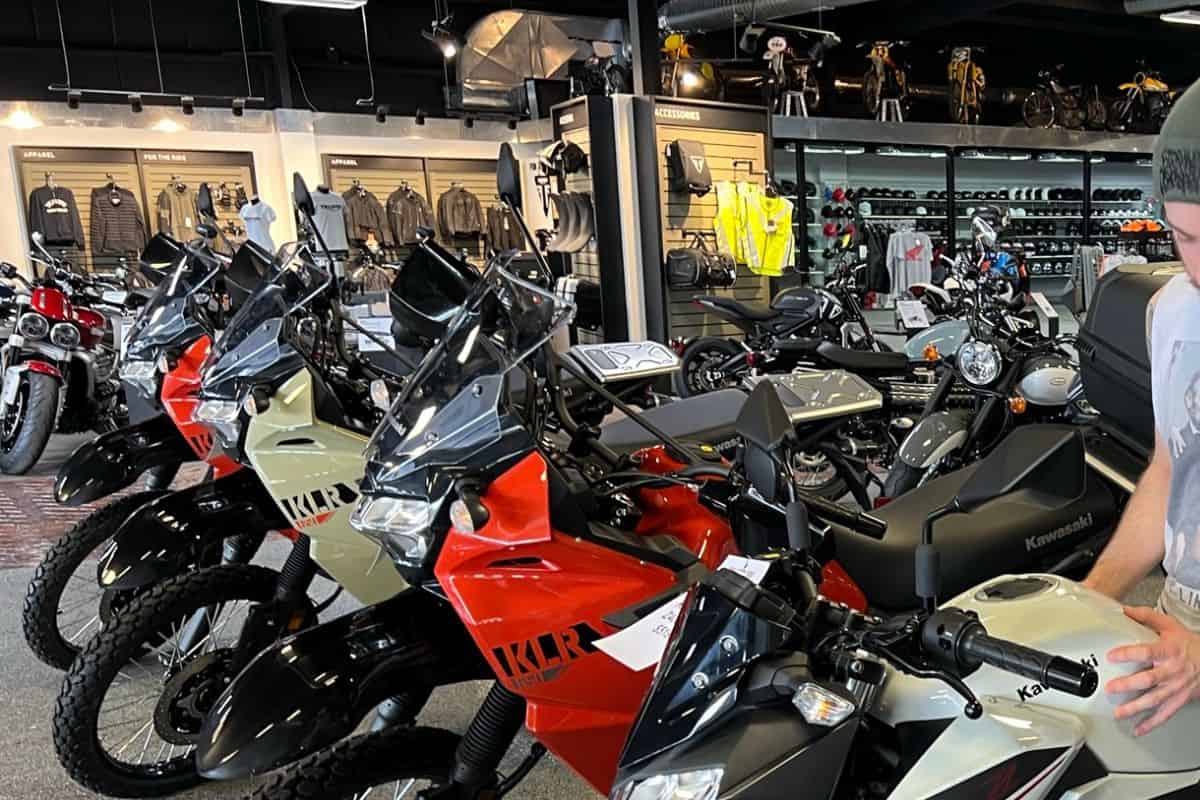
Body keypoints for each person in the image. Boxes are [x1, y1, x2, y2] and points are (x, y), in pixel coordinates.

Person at [1083, 80, 1200, 736]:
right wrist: (1089, 598)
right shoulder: (1174, 313)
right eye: (1185, 238)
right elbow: (1167, 472)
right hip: (1179, 623)